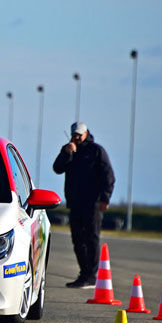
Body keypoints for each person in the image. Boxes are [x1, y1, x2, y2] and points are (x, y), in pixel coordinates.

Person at [52, 122, 115, 288]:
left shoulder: (96, 151)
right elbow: (57, 168)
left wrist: (105, 199)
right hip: (75, 203)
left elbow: (108, 176)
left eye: (80, 134)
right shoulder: (69, 150)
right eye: (75, 135)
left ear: (86, 133)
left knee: (91, 238)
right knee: (77, 239)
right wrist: (66, 154)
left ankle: (91, 276)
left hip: (93, 203)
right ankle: (84, 274)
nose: (77, 137)